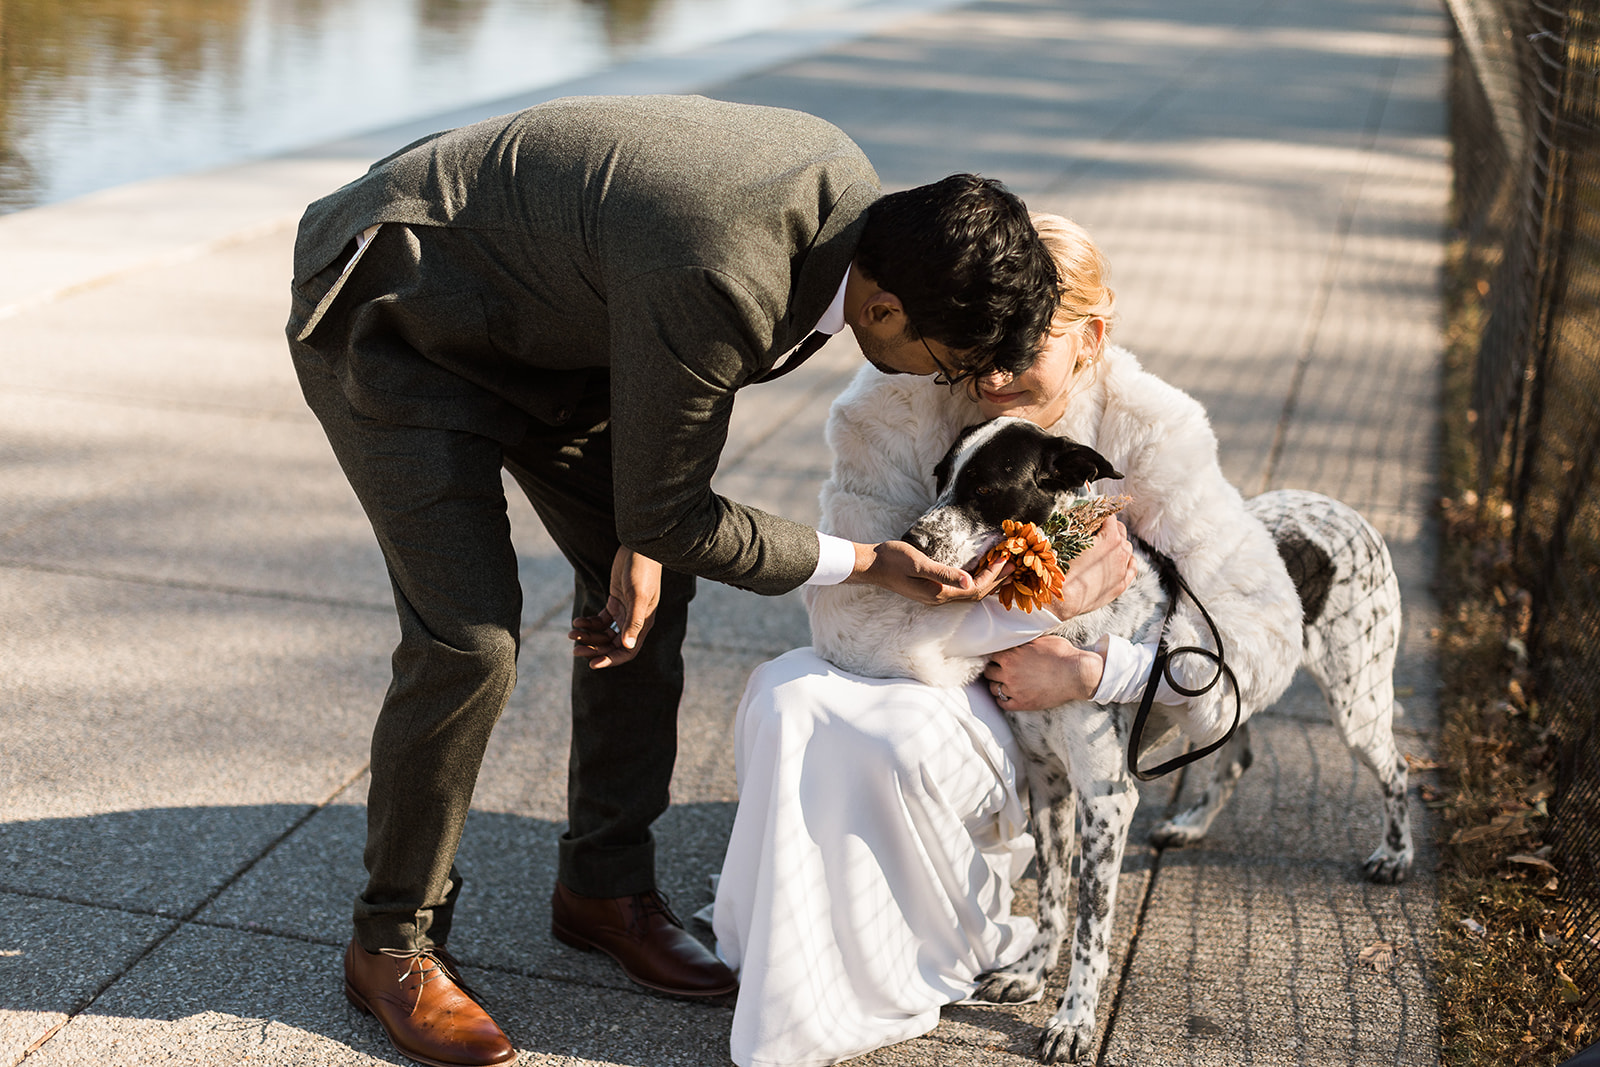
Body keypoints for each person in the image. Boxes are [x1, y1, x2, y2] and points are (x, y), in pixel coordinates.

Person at [285, 92, 1094, 1067]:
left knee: (651, 595)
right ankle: (390, 944)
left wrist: (645, 534)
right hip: (399, 318)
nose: (942, 383)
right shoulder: (726, 261)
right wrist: (869, 562)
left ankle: (602, 885)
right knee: (471, 640)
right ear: (882, 308)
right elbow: (681, 475)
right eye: (945, 362)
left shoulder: (853, 212)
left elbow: (677, 398)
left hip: (561, 340)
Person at [711, 212, 1302, 1067]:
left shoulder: (1152, 435)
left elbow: (1261, 646)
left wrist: (1098, 669)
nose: (987, 368)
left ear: (1090, 339)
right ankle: (796, 958)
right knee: (787, 692)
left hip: (1040, 715)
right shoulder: (895, 405)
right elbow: (846, 624)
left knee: (872, 735)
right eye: (982, 335)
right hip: (933, 670)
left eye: (1023, 344)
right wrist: (1033, 613)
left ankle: (896, 950)